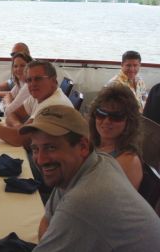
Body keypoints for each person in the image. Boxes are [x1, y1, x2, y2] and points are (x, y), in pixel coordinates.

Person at [18, 105, 160, 251]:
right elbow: (47, 221)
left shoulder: (84, 199)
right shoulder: (95, 162)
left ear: (83, 147)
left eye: (51, 147)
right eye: (35, 149)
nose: (41, 160)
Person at [0, 60, 73, 146]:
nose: (33, 84)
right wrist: (19, 127)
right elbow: (12, 114)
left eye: (38, 79)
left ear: (54, 81)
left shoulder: (53, 104)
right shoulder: (38, 96)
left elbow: (19, 140)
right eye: (29, 80)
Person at [89, 85, 143, 189]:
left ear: (129, 121)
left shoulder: (129, 161)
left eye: (116, 116)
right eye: (101, 113)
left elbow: (112, 202)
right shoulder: (93, 144)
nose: (107, 121)